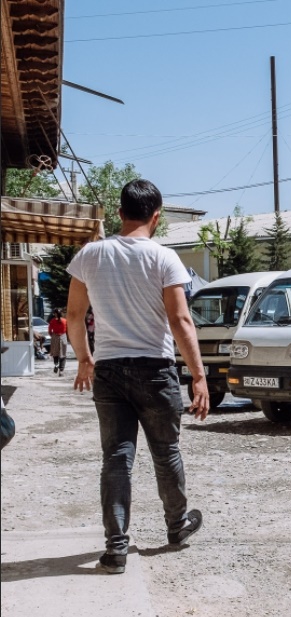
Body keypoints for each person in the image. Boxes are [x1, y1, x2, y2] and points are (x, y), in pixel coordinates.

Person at [65, 178, 210, 576]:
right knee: (166, 452)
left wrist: (84, 359)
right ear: (157, 216)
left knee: (116, 459)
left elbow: (74, 316)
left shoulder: (90, 256)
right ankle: (176, 527)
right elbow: (180, 321)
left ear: (119, 212)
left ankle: (115, 550)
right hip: (155, 370)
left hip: (109, 370)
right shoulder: (165, 259)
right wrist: (198, 376)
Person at [47, 308, 68, 376]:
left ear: (55, 314)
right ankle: (61, 370)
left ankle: (56, 364)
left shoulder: (52, 321)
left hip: (55, 336)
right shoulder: (65, 321)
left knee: (55, 353)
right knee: (63, 354)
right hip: (63, 336)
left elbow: (50, 331)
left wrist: (53, 336)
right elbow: (67, 330)